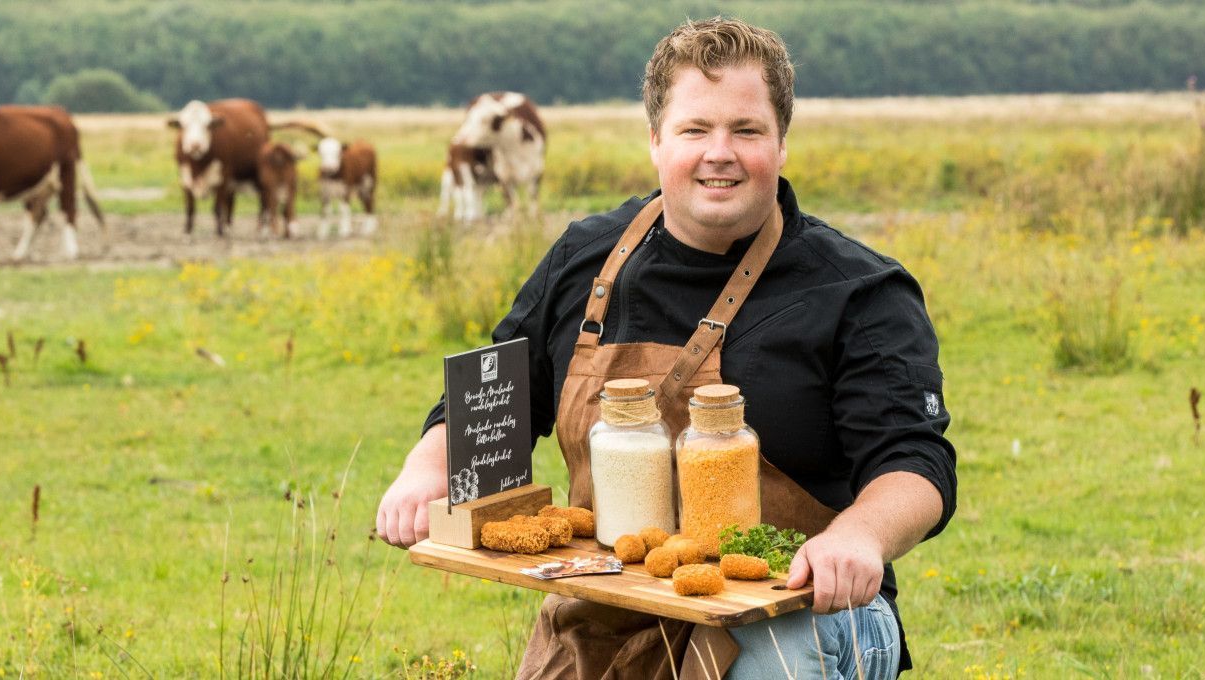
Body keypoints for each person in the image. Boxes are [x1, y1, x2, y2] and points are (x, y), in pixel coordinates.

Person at [375, 17, 957, 679]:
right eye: (694, 130)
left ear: (781, 143)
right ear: (656, 140)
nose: (721, 153)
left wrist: (861, 536)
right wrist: (430, 465)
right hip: (615, 599)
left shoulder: (859, 290)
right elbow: (498, 399)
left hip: (800, 609)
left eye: (746, 130)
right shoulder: (585, 258)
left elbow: (916, 465)